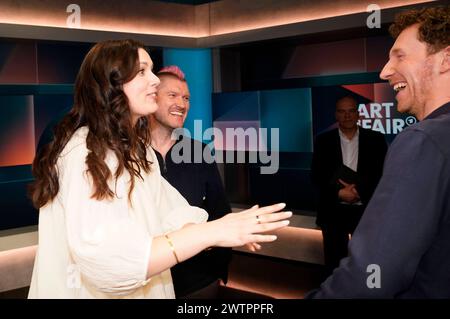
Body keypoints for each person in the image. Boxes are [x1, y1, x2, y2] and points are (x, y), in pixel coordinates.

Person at [27, 39, 292, 299]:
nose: (155, 80)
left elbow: (168, 212)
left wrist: (225, 228)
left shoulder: (137, 151)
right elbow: (110, 264)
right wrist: (211, 232)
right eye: (142, 71)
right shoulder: (85, 152)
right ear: (112, 82)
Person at [307, 5, 450, 298]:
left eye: (400, 56)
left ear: (446, 59)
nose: (385, 71)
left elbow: (371, 276)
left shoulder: (423, 140)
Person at [148, 65, 232, 298]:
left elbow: (219, 210)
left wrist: (218, 267)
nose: (182, 104)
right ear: (150, 98)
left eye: (186, 98)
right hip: (146, 284)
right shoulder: (127, 155)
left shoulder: (200, 152)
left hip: (198, 283)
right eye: (172, 95)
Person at [311, 96, 387, 277]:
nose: (347, 116)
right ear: (336, 115)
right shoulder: (323, 141)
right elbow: (316, 176)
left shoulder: (375, 139)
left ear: (358, 114)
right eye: (342, 111)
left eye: (351, 111)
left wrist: (358, 192)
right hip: (333, 213)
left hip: (366, 211)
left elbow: (383, 174)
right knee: (335, 266)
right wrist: (339, 193)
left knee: (368, 263)